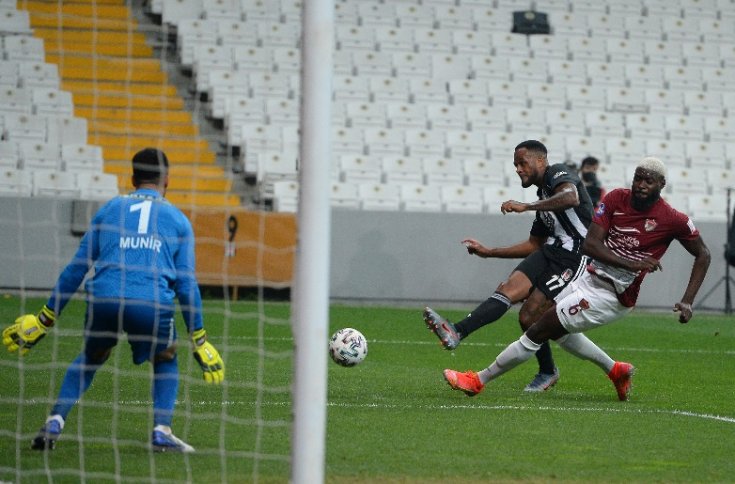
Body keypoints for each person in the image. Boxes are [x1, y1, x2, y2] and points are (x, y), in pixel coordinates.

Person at [2, 148, 225, 453]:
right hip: (151, 304)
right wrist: (199, 337)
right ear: (168, 180)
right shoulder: (178, 220)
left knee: (92, 356)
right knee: (166, 355)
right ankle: (162, 430)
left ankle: (55, 420)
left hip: (103, 299)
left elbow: (76, 268)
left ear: (132, 179)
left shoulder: (109, 210)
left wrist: (44, 319)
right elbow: (186, 284)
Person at [443, 157, 711, 401]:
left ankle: (477, 380)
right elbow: (591, 246)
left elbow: (703, 254)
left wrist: (688, 300)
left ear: (661, 185)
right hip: (588, 276)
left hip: (612, 296)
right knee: (541, 322)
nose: (641, 185)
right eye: (637, 178)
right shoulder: (617, 198)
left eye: (648, 181)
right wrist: (634, 262)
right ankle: (615, 370)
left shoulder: (673, 219)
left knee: (538, 329)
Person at [424, 139, 602, 392]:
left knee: (529, 314)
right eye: (515, 165)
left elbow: (571, 197)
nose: (518, 169)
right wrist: (489, 252)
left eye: (522, 163)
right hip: (551, 250)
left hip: (576, 255)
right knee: (509, 289)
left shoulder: (558, 173)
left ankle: (549, 370)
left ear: (541, 160)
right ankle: (457, 332)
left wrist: (526, 206)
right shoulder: (543, 197)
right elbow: (534, 244)